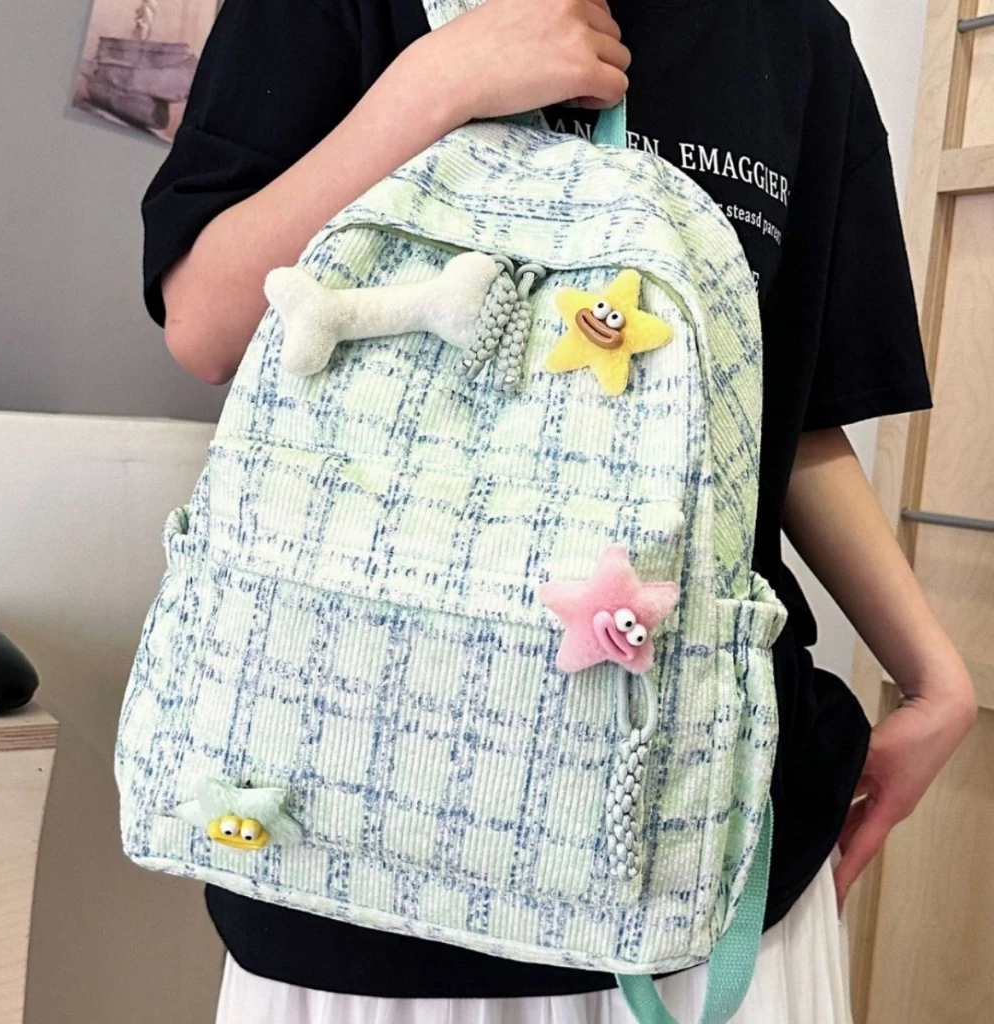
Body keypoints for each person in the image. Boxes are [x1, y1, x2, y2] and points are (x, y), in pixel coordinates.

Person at [140, 1, 978, 1021]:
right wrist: (437, 84)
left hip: (691, 835)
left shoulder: (793, 36)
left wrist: (934, 676)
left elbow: (783, 418)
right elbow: (207, 322)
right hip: (347, 856)